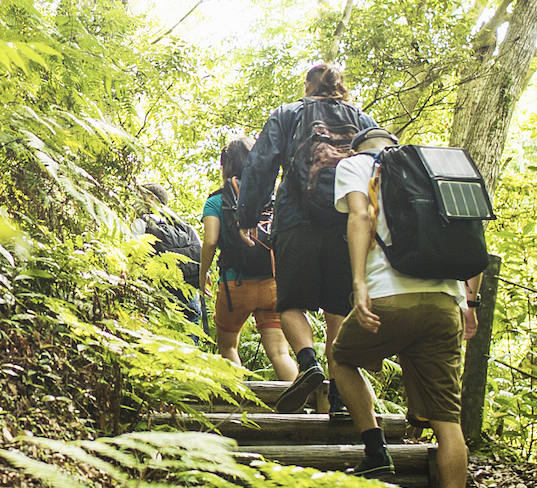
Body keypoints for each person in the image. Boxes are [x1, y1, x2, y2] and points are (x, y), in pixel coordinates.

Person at [326, 125, 481, 488]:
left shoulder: (356, 164)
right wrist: (471, 300)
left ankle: (376, 450)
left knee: (341, 358)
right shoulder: (440, 167)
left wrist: (359, 284)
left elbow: (359, 216)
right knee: (449, 424)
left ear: (359, 148)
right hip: (446, 303)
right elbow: (472, 233)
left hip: (388, 298)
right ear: (395, 146)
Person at [234, 61, 380, 413]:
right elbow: (384, 169)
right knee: (338, 309)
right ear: (340, 88)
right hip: (347, 227)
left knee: (290, 304)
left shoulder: (287, 114)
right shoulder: (363, 122)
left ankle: (308, 362)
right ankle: (342, 395)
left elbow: (261, 164)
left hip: (296, 220)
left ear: (307, 86)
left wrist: (248, 216)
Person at [198, 136, 298, 378]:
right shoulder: (272, 198)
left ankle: (241, 404)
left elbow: (211, 241)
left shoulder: (216, 201)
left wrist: (203, 276)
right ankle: (301, 399)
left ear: (225, 166)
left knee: (228, 346)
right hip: (273, 282)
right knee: (279, 351)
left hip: (236, 285)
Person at [133, 183, 207, 335]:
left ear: (151, 199)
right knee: (189, 345)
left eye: (138, 197)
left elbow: (131, 258)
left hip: (155, 295)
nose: (134, 202)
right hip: (189, 295)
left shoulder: (141, 223)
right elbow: (201, 258)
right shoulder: (186, 227)